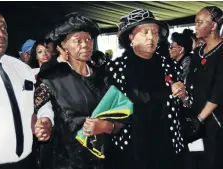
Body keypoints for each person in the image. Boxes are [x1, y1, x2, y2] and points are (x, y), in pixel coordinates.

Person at [34, 12, 128, 169]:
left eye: (88, 40)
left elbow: (123, 117)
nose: (85, 44)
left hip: (104, 159)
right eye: (77, 41)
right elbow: (41, 111)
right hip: (67, 160)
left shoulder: (104, 77)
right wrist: (44, 123)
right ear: (64, 45)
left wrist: (106, 126)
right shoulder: (52, 78)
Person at [105, 8, 189, 169]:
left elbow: (185, 102)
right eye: (144, 32)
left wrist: (184, 96)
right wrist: (166, 93)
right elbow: (124, 103)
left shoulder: (168, 64)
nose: (151, 37)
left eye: (155, 32)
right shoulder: (116, 67)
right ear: (131, 37)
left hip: (167, 141)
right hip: (133, 144)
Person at [0, 10, 53, 169]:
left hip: (27, 161)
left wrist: (44, 121)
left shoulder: (22, 69)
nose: (1, 34)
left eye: (4, 28)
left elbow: (32, 107)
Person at [184, 6, 223, 169]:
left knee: (212, 161)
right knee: (194, 160)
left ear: (213, 26)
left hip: (214, 121)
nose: (196, 27)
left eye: (199, 23)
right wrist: (184, 97)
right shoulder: (196, 53)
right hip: (195, 121)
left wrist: (200, 119)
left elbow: (219, 91)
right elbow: (191, 85)